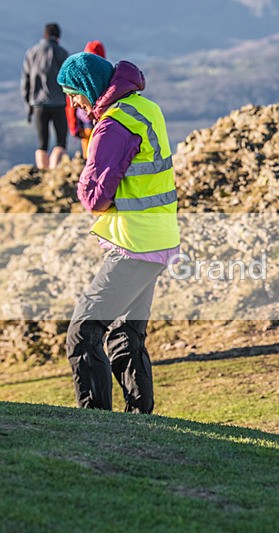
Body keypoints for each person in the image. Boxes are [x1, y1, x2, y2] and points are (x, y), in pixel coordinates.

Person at [57, 52, 180, 414]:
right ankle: (139, 419)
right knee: (126, 333)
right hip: (158, 240)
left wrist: (83, 183)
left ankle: (96, 421)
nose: (74, 102)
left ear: (89, 87)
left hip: (133, 244)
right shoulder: (144, 107)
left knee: (83, 331)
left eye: (74, 93)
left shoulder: (113, 125)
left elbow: (95, 197)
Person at [21, 22, 69, 169]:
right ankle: (54, 172)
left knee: (42, 143)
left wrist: (28, 106)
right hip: (59, 103)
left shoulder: (31, 53)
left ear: (45, 35)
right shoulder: (62, 53)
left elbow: (25, 82)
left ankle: (43, 172)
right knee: (61, 142)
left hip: (38, 104)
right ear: (58, 37)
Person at [66, 40, 106, 159]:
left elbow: (70, 102)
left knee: (89, 155)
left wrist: (73, 126)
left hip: (86, 120)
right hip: (103, 118)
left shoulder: (77, 74)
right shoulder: (107, 73)